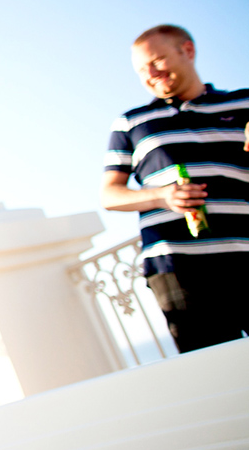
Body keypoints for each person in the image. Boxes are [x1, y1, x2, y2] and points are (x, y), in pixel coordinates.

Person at [101, 24, 249, 353]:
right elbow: (109, 195)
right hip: (177, 268)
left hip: (246, 252)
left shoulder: (243, 104)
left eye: (157, 60)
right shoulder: (130, 123)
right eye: (142, 69)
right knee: (216, 374)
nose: (151, 73)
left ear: (188, 51)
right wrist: (162, 195)